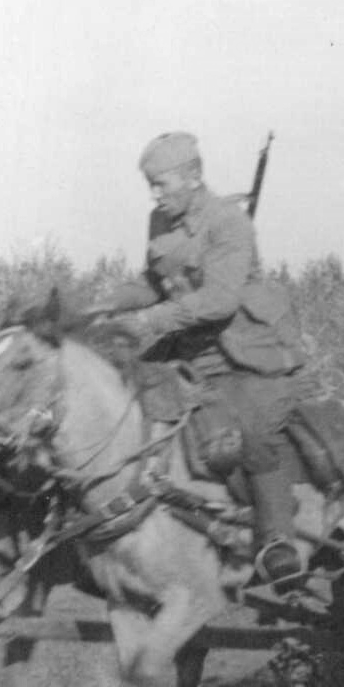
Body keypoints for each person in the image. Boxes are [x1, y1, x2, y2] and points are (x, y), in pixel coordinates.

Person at [96, 131, 311, 584]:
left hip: (251, 357)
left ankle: (277, 540)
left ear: (193, 177)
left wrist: (151, 320)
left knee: (248, 432)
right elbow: (153, 282)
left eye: (162, 183)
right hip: (191, 351)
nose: (154, 194)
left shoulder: (230, 222)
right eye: (150, 184)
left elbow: (219, 300)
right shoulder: (161, 222)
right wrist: (105, 304)